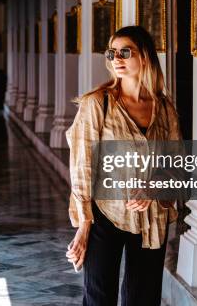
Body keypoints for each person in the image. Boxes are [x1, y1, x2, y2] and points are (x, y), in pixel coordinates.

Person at [65, 25, 183, 306]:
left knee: (143, 298)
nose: (116, 58)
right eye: (112, 53)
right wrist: (84, 226)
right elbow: (82, 167)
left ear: (144, 56)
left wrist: (153, 187)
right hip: (104, 213)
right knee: (98, 297)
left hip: (151, 216)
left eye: (125, 52)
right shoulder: (97, 104)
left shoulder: (164, 108)